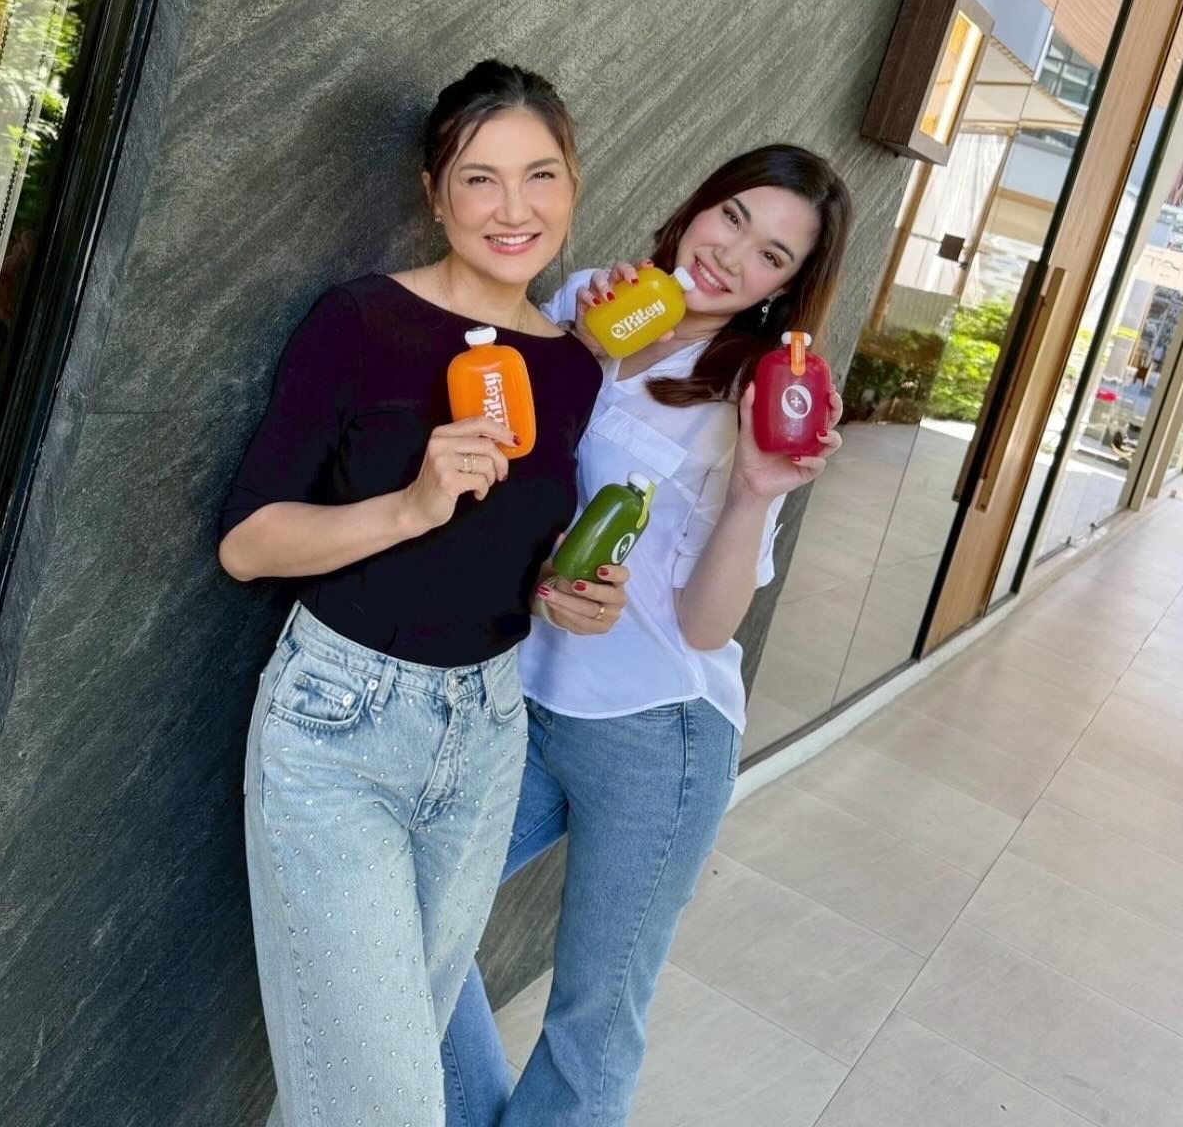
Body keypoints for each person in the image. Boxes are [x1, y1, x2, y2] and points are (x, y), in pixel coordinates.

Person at [218, 60, 626, 1127]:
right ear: (434, 192)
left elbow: (511, 555)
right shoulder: (360, 322)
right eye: (480, 178)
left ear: (574, 183)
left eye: (540, 175)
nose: (513, 208)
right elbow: (247, 545)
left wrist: (570, 594)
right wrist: (410, 504)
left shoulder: (572, 370)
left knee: (365, 1081)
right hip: (339, 722)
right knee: (387, 1101)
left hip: (488, 735)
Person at [442, 144, 852, 1127]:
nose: (733, 255)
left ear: (783, 290)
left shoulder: (751, 399)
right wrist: (579, 347)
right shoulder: (593, 301)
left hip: (656, 732)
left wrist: (754, 490)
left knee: (592, 1022)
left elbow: (706, 626)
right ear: (697, 205)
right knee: (415, 926)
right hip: (526, 695)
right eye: (733, 217)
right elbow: (512, 458)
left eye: (772, 256)